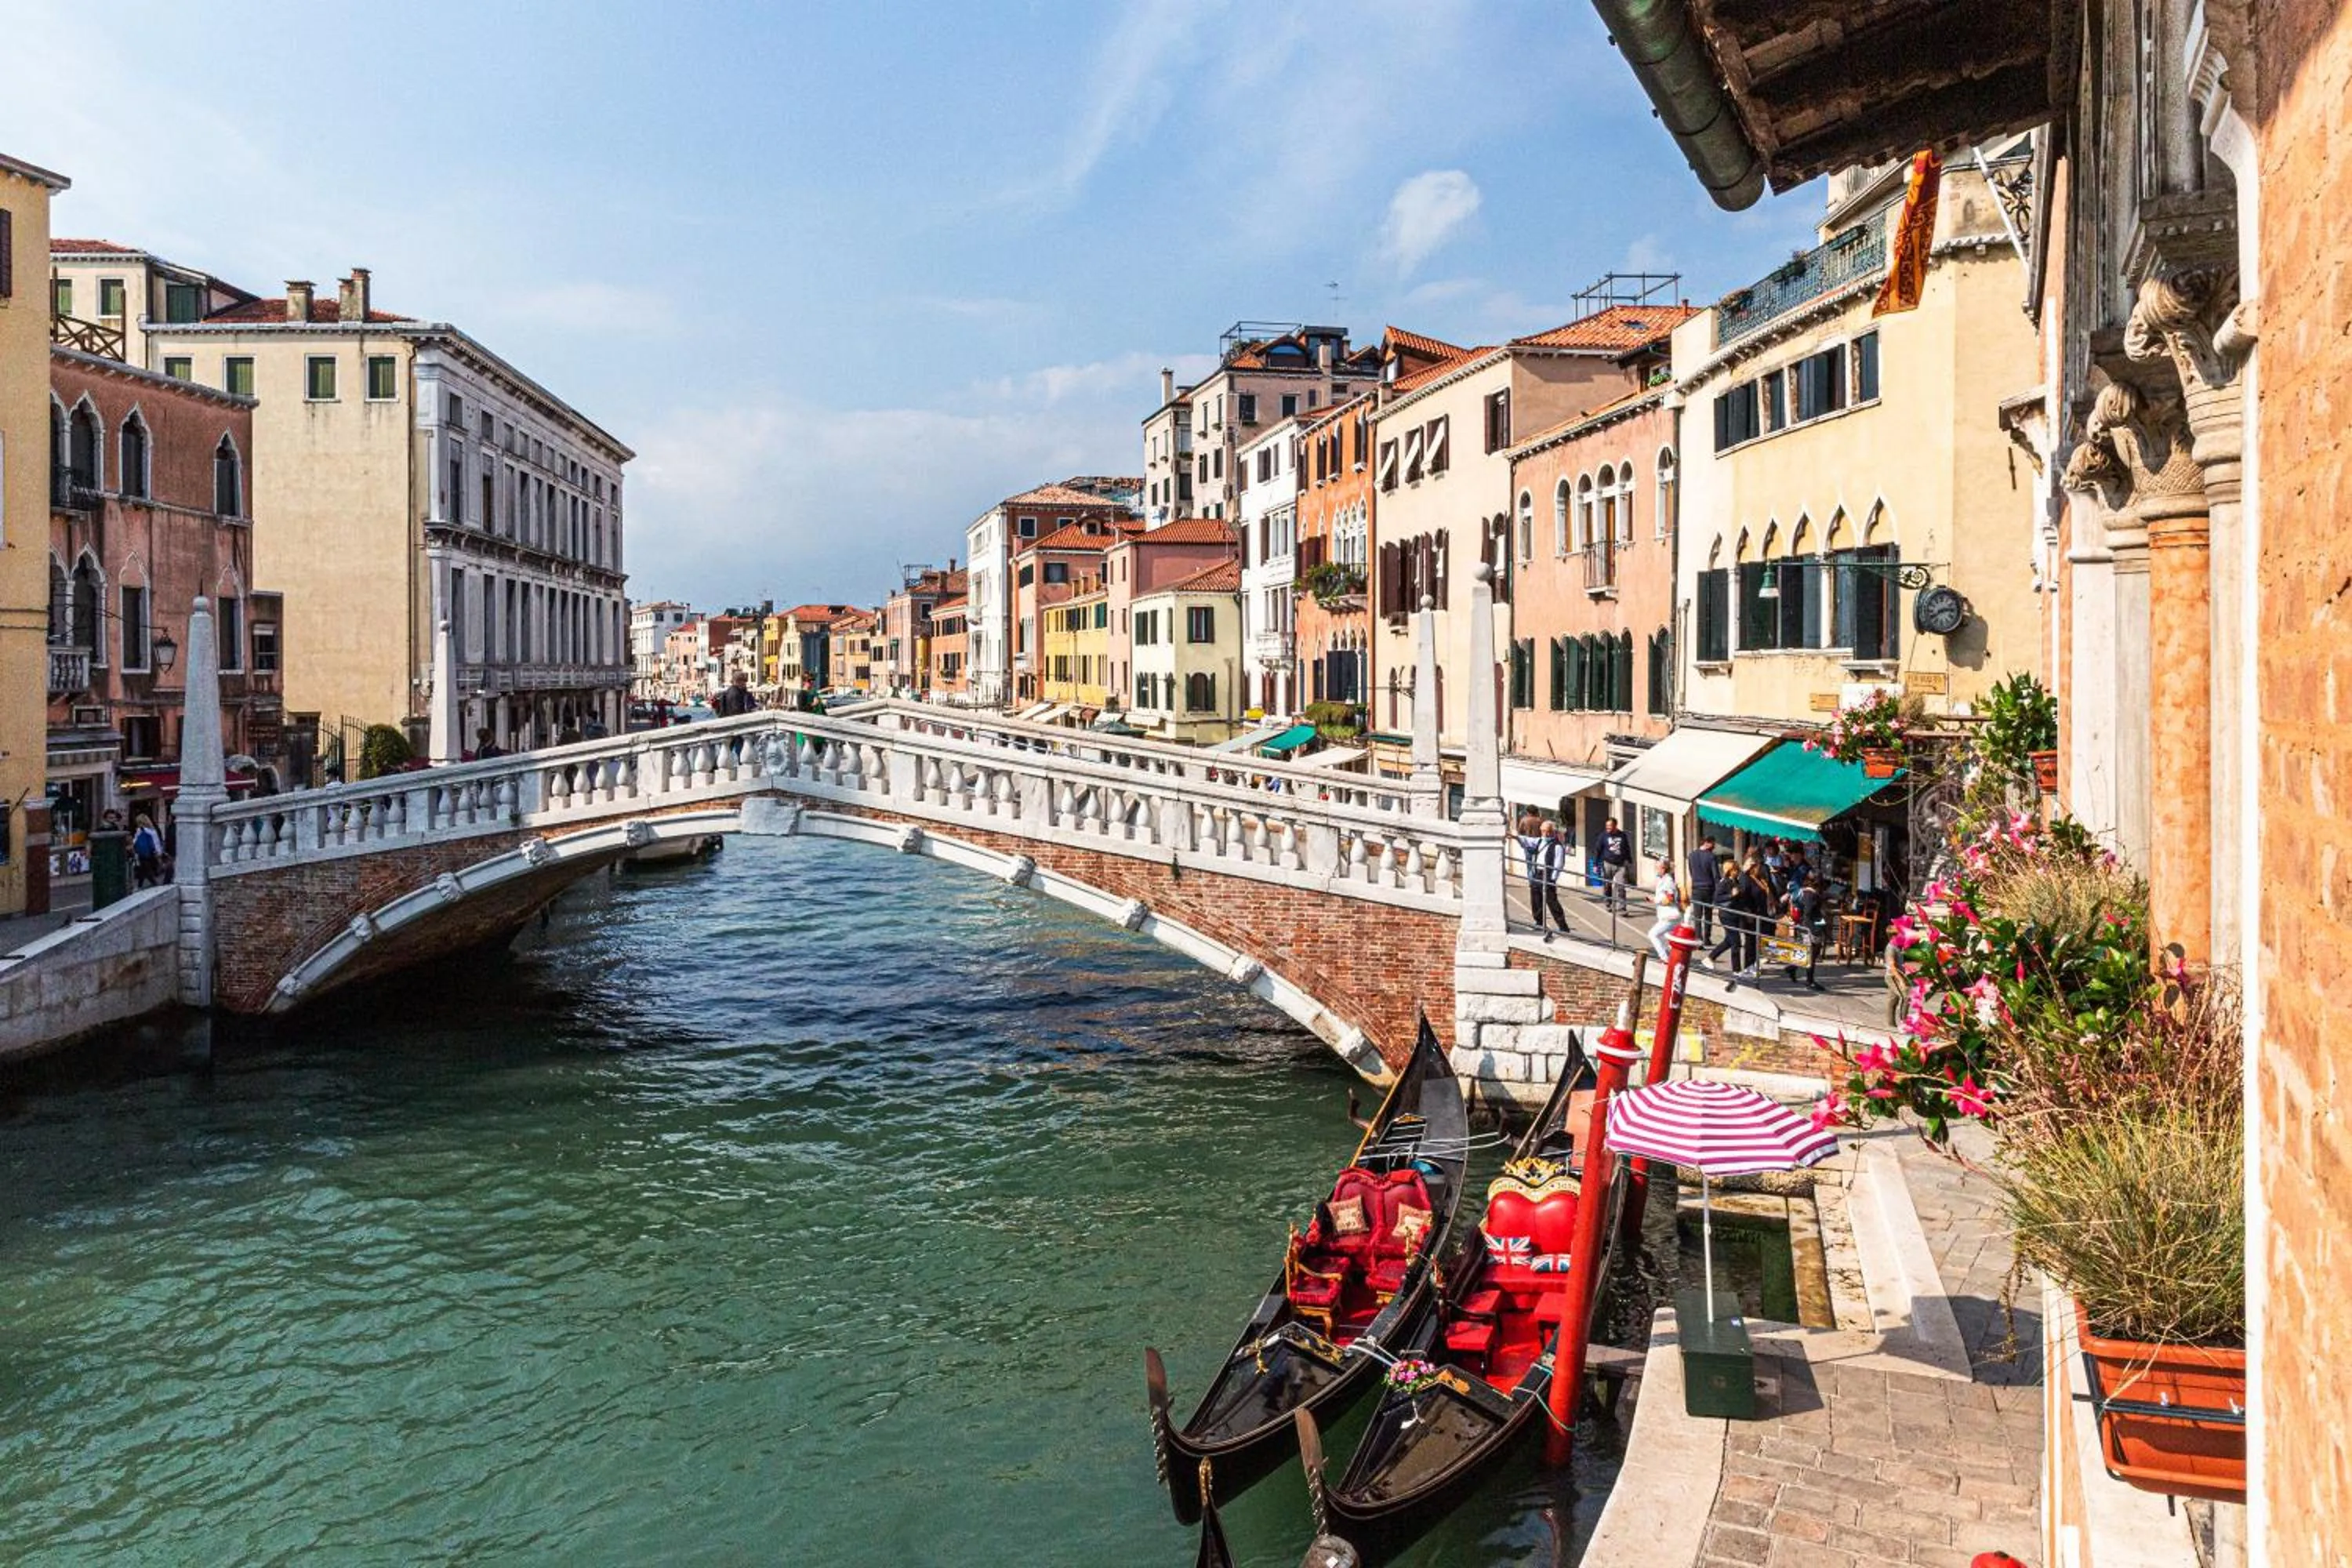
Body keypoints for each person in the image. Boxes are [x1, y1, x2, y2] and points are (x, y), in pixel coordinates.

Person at [1523, 819, 1570, 938]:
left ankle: (1563, 926)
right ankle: (1539, 922)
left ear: (1552, 832)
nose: (1546, 834)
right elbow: (1528, 841)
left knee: (1552, 901)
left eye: (1548, 832)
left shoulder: (1557, 846)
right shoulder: (1540, 841)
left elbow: (1559, 863)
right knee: (1536, 899)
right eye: (1543, 831)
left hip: (1547, 875)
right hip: (1537, 873)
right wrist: (1514, 837)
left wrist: (1553, 878)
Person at [1783, 869, 1828, 990]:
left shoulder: (1805, 892)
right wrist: (1813, 928)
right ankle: (1809, 980)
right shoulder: (1811, 895)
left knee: (1812, 952)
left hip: (1808, 925)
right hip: (1810, 926)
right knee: (1812, 953)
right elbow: (1808, 913)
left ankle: (1793, 968)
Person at [1646, 855, 1684, 961]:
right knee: (1668, 938)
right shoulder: (1663, 879)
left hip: (1670, 915)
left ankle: (1665, 958)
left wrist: (1654, 900)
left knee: (1653, 934)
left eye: (1657, 868)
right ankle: (1675, 958)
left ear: (1663, 868)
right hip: (1666, 915)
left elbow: (1670, 898)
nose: (1656, 870)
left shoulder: (1668, 881)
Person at [1685, 835, 1722, 944]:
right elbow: (1716, 876)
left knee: (1697, 916)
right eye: (1713, 843)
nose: (1714, 846)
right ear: (1707, 843)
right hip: (1708, 889)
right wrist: (1718, 890)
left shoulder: (1691, 855)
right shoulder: (1711, 857)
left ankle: (1698, 938)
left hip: (1696, 888)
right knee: (1708, 915)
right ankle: (1707, 938)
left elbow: (1691, 872)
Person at [1595, 817, 1633, 914]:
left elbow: (1626, 848)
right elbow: (1598, 850)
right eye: (1606, 826)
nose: (1607, 828)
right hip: (1608, 864)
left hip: (1620, 865)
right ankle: (1608, 903)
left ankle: (1622, 908)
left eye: (1610, 826)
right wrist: (1596, 864)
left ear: (1615, 826)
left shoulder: (1622, 835)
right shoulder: (1603, 836)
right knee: (1607, 885)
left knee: (1621, 886)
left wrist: (1629, 860)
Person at [130, 814, 165, 889]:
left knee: (145, 868)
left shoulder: (139, 831)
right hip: (151, 852)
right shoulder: (152, 830)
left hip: (142, 853)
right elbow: (156, 842)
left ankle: (151, 884)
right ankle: (142, 884)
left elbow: (135, 842)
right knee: (145, 868)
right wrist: (159, 852)